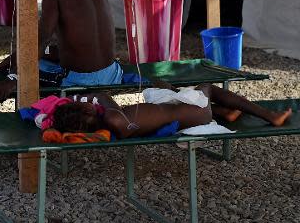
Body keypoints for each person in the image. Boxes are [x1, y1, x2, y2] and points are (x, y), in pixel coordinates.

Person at [51, 83, 292, 139]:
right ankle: (270, 115)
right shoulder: (113, 117)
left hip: (189, 113)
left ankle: (224, 113)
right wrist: (91, 97)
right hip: (197, 114)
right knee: (207, 87)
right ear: (87, 114)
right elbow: (103, 96)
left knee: (165, 89)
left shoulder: (108, 121)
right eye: (85, 107)